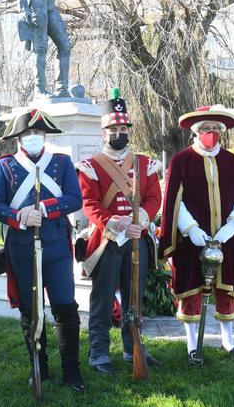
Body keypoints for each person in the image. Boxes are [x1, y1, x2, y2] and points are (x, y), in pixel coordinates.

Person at [0, 108, 86, 393]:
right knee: (31, 311)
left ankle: (71, 370)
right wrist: (19, 215)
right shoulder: (5, 166)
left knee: (65, 305)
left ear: (45, 136)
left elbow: (74, 198)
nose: (33, 137)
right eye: (29, 133)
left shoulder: (61, 162)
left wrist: (44, 209)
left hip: (55, 243)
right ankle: (38, 365)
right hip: (20, 246)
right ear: (19, 138)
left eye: (38, 133)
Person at [159, 105, 234, 365]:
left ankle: (229, 341)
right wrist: (191, 229)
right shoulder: (181, 160)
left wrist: (232, 226)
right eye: (206, 129)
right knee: (191, 289)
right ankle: (192, 344)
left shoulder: (232, 161)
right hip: (192, 239)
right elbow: (173, 201)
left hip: (227, 239)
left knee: (227, 289)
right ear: (196, 131)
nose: (212, 133)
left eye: (216, 129)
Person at [75, 88, 163, 374]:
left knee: (133, 298)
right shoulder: (90, 166)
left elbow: (154, 198)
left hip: (137, 238)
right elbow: (88, 204)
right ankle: (99, 353)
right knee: (102, 301)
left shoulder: (144, 164)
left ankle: (133, 348)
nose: (119, 133)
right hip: (107, 240)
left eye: (123, 128)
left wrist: (142, 220)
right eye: (113, 128)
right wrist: (114, 222)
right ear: (103, 132)